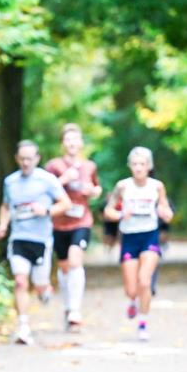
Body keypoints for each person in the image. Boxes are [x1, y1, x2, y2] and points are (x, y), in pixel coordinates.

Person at [0, 141, 72, 346]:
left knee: (39, 285)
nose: (26, 163)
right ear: (17, 159)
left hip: (41, 240)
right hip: (18, 239)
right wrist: (2, 224)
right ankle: (23, 326)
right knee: (20, 281)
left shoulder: (47, 180)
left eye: (30, 159)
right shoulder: (10, 182)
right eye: (22, 159)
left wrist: (46, 211)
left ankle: (44, 290)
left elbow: (66, 204)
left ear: (37, 159)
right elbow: (5, 206)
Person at [103, 147, 174, 341]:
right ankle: (133, 301)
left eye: (142, 164)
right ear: (130, 166)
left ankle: (143, 323)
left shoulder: (157, 186)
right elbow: (107, 211)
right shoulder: (123, 186)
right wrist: (119, 215)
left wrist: (165, 213)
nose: (138, 168)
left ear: (149, 166)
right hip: (129, 238)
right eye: (134, 164)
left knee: (145, 281)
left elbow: (165, 208)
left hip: (149, 236)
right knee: (131, 289)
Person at [44, 124, 102, 332]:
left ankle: (75, 311)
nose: (72, 143)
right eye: (68, 140)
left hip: (82, 221)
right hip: (59, 222)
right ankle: (68, 308)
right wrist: (63, 180)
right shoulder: (54, 165)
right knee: (65, 267)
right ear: (63, 144)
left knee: (75, 260)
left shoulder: (89, 166)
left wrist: (92, 191)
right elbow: (44, 190)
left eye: (75, 139)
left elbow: (97, 188)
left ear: (81, 143)